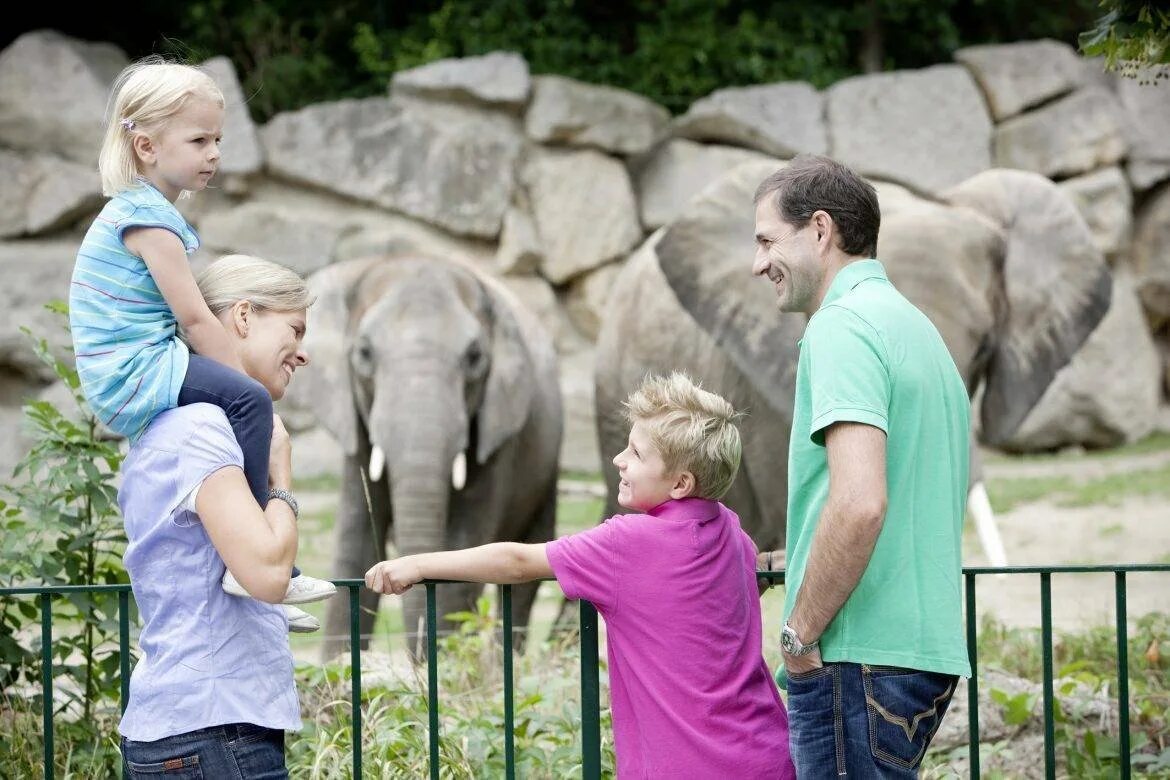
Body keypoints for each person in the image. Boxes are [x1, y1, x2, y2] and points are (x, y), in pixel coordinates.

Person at [366, 372, 796, 779]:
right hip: (766, 752)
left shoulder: (628, 542)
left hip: (684, 765)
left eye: (636, 453)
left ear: (681, 483)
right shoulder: (732, 532)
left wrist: (418, 564)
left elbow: (517, 562)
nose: (619, 460)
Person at [68, 56, 333, 615]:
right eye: (199, 140)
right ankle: (255, 563)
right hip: (136, 369)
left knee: (243, 401)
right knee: (249, 400)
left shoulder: (145, 212)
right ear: (147, 147)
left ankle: (253, 561)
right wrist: (248, 388)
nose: (214, 153)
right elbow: (194, 321)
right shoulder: (147, 220)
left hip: (140, 361)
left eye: (218, 138)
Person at [751, 154, 971, 778]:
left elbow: (860, 502)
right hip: (919, 651)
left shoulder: (840, 328)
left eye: (768, 240)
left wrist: (797, 636)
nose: (757, 262)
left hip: (856, 654)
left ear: (819, 230)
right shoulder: (914, 327)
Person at [118, 254, 312, 777]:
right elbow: (268, 574)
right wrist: (283, 481)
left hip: (192, 729)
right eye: (293, 329)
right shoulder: (203, 428)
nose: (304, 353)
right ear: (244, 317)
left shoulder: (169, 425)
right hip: (214, 732)